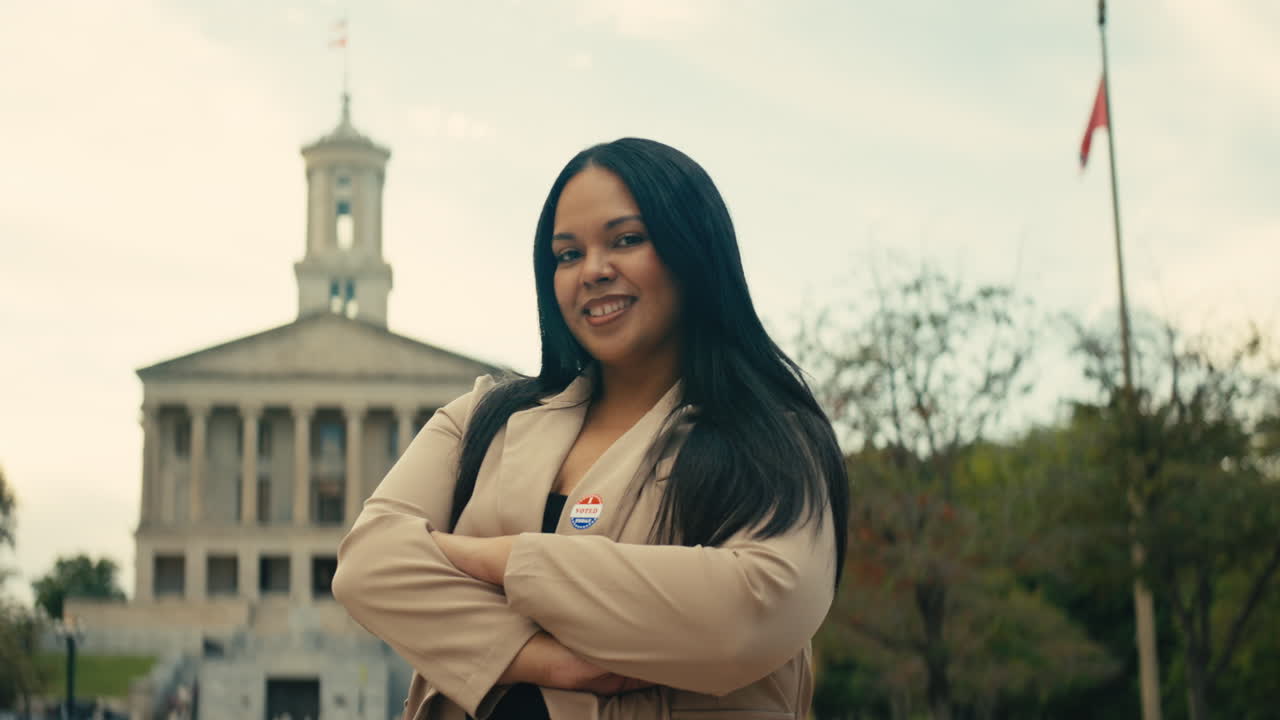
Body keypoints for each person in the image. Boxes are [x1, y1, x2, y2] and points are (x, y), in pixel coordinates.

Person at [333, 138, 849, 719]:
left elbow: (747, 616)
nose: (594, 271)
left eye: (627, 240)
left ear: (694, 251)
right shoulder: (482, 419)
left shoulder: (771, 438)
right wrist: (545, 661)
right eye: (567, 254)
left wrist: (495, 559)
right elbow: (366, 566)